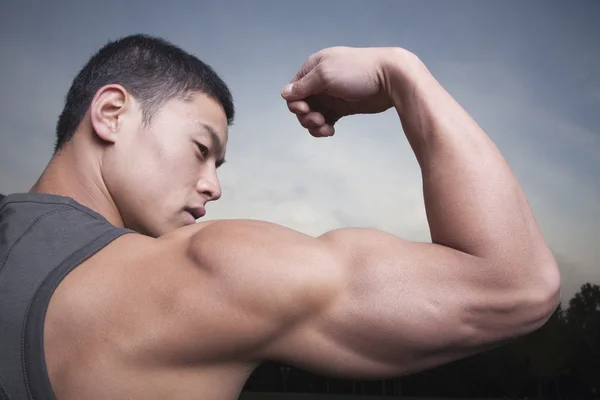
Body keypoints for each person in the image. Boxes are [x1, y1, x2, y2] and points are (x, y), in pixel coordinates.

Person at [0, 34, 560, 400]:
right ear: (112, 113)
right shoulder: (208, 273)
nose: (214, 186)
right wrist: (401, 74)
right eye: (202, 149)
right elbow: (516, 284)